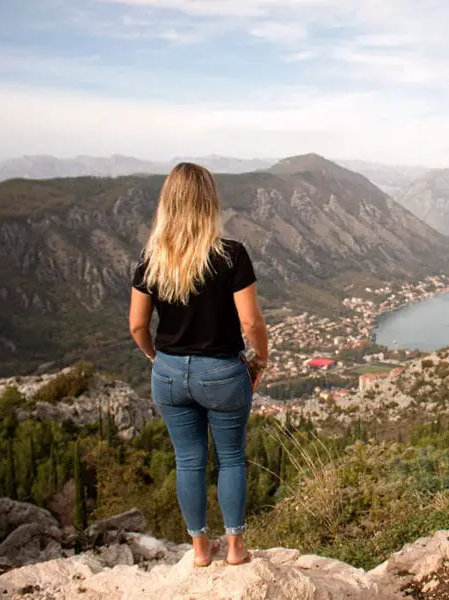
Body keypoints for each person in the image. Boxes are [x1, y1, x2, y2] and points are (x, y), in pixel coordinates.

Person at [128, 162, 269, 568]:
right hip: (222, 372)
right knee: (230, 459)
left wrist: (158, 357)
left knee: (188, 460)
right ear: (210, 203)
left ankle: (200, 551)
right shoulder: (232, 255)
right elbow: (250, 322)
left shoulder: (152, 258)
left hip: (169, 373)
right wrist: (259, 359)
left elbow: (137, 325)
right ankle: (236, 549)